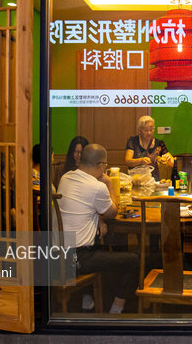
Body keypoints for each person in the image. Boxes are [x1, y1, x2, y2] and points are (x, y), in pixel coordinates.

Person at [58, 143, 139, 314]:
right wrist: (109, 184)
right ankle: (116, 310)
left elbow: (83, 209)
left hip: (57, 253)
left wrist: (98, 220)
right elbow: (113, 213)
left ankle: (88, 298)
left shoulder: (66, 177)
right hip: (77, 258)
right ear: (101, 166)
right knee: (134, 260)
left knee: (97, 239)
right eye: (105, 165)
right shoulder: (97, 187)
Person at [125, 115, 173, 180]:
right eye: (145, 130)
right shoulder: (133, 141)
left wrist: (170, 160)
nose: (149, 133)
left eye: (151, 129)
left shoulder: (159, 143)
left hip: (154, 181)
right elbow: (127, 161)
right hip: (136, 180)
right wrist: (140, 160)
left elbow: (171, 162)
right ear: (139, 131)